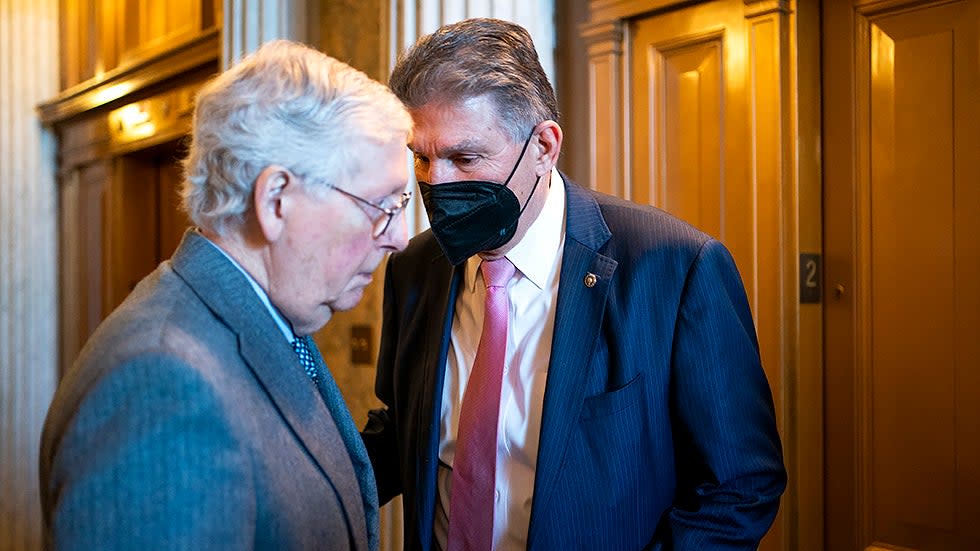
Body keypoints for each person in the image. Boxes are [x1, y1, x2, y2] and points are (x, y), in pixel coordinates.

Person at [362, 18, 786, 551]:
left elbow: (741, 484)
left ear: (544, 145)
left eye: (464, 158)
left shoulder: (675, 268)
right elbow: (406, 428)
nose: (434, 183)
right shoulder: (414, 268)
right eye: (422, 157)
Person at [40, 39, 412, 550]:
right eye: (382, 205)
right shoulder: (162, 384)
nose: (399, 236)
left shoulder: (265, 320)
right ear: (276, 200)